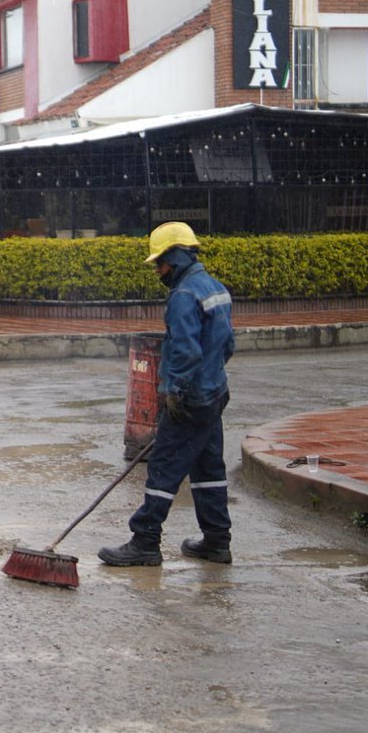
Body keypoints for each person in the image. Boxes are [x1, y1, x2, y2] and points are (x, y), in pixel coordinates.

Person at [99, 222, 236, 567]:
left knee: (163, 468)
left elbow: (184, 352)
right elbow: (228, 346)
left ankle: (145, 541)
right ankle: (217, 542)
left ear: (173, 257)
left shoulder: (183, 296)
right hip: (214, 395)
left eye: (159, 263)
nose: (158, 270)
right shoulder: (215, 288)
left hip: (189, 400)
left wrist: (174, 391)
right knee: (208, 469)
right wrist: (213, 382)